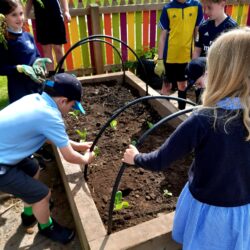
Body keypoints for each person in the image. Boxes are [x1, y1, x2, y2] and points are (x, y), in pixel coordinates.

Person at [123, 27, 250, 249]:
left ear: (221, 72)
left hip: (210, 215)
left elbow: (161, 159)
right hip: (243, 212)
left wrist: (136, 158)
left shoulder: (204, 120)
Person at [0, 73, 95, 244]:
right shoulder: (50, 115)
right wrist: (86, 159)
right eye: (72, 106)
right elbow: (69, 157)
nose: (70, 111)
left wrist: (77, 145)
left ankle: (28, 216)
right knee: (42, 195)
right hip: (2, 165)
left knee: (33, 168)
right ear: (63, 101)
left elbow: (48, 136)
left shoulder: (35, 99)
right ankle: (46, 227)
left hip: (6, 151)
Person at [154, 0, 203, 109]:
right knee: (166, 86)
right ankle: (163, 114)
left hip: (185, 56)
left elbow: (197, 33)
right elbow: (162, 37)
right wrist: (160, 60)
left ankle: (181, 114)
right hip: (169, 56)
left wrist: (196, 54)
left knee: (182, 85)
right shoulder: (168, 8)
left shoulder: (196, 6)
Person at [0, 0, 51, 103]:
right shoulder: (5, 41)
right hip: (20, 92)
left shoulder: (28, 36)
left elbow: (36, 55)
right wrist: (19, 68)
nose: (19, 18)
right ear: (4, 17)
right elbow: (1, 68)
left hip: (37, 87)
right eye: (14, 15)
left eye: (21, 13)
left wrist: (39, 63)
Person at [25, 0, 71, 76]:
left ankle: (62, 74)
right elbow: (29, 2)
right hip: (41, 20)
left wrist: (66, 11)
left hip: (56, 17)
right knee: (47, 50)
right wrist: (25, 15)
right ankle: (51, 76)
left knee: (58, 48)